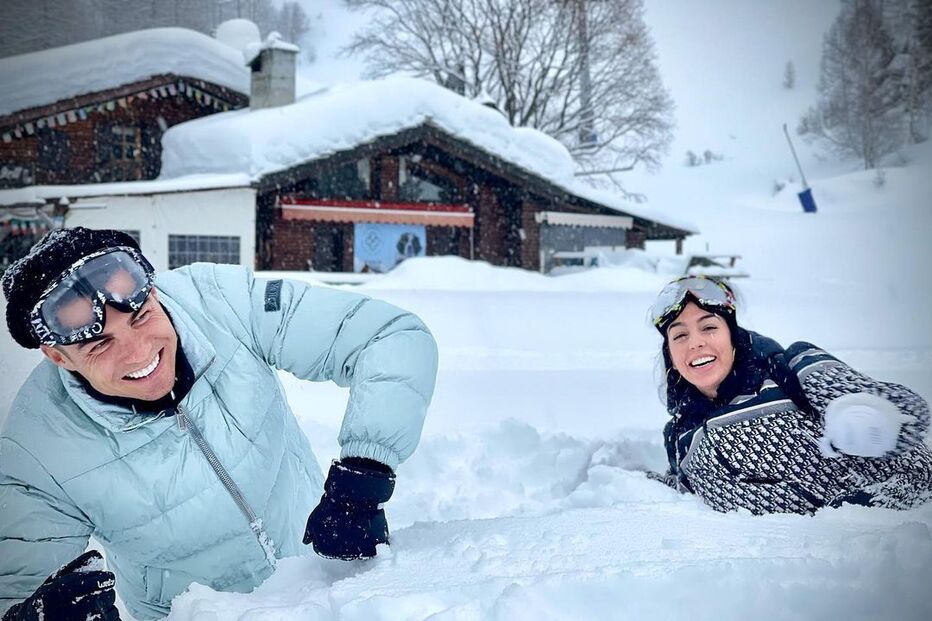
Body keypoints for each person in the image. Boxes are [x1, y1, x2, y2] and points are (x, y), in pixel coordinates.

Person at [0, 227, 438, 620]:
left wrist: (365, 475)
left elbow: (387, 336)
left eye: (141, 317)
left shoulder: (221, 303)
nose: (139, 354)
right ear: (57, 356)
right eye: (100, 344)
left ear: (152, 292)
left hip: (325, 587)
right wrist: (36, 614)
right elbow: (15, 591)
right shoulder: (37, 450)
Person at [650, 276, 932, 515]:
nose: (696, 342)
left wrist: (865, 414)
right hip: (803, 560)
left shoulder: (793, 370)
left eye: (709, 327)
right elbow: (683, 498)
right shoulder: (679, 436)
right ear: (671, 355)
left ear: (732, 336)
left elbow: (908, 415)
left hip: (901, 527)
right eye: (680, 336)